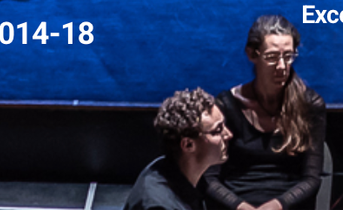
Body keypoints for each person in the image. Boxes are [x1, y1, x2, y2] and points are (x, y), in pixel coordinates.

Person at [211, 17, 328, 210]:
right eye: (272, 57)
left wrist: (276, 206)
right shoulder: (226, 106)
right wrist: (241, 207)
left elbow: (311, 179)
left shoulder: (310, 104)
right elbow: (209, 178)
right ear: (251, 54)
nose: (282, 66)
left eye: (288, 56)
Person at [126, 91, 232, 210]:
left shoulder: (182, 171)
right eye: (218, 130)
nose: (228, 135)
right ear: (188, 145)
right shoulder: (159, 205)